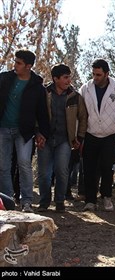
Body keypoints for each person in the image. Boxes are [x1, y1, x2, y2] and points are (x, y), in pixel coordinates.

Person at [0, 49, 50, 213]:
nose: (15, 65)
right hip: (3, 128)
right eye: (15, 61)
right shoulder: (4, 79)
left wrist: (42, 132)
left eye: (19, 63)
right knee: (3, 166)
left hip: (25, 131)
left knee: (24, 164)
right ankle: (8, 202)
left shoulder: (37, 87)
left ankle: (27, 201)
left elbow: (42, 112)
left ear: (28, 66)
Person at [80, 59, 115, 212]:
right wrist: (78, 134)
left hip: (111, 134)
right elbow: (80, 113)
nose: (95, 77)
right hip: (91, 133)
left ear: (107, 74)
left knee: (107, 166)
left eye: (99, 74)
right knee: (89, 167)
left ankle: (106, 196)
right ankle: (90, 200)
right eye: (93, 74)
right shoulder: (85, 88)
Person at [37, 64, 88, 212]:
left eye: (69, 77)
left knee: (62, 170)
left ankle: (60, 201)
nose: (68, 80)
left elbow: (83, 117)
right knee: (44, 173)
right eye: (65, 77)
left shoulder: (75, 96)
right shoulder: (44, 93)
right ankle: (44, 202)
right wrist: (37, 133)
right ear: (55, 79)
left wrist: (79, 137)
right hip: (45, 139)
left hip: (65, 140)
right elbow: (36, 114)